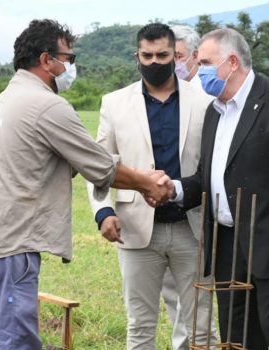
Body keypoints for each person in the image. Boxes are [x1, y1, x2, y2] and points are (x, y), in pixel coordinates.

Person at [0, 19, 171, 350]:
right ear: (46, 60)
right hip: (7, 251)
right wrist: (148, 184)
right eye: (68, 58)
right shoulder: (46, 105)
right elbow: (99, 165)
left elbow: (54, 161)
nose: (72, 66)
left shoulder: (11, 95)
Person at [172, 27, 269, 349]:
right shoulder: (214, 111)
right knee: (235, 336)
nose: (199, 71)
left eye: (206, 62)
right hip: (226, 242)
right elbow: (206, 175)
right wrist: (174, 189)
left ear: (232, 61)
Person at [87, 23, 214, 349]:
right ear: (137, 56)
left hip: (193, 227)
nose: (155, 62)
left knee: (202, 328)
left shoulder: (204, 103)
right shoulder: (114, 103)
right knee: (140, 326)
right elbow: (100, 163)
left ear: (177, 56)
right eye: (148, 55)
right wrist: (103, 211)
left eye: (163, 55)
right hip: (136, 229)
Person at [156, 24, 218, 350]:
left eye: (176, 56)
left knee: (198, 311)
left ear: (194, 57)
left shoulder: (210, 101)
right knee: (174, 305)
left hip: (197, 218)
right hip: (159, 218)